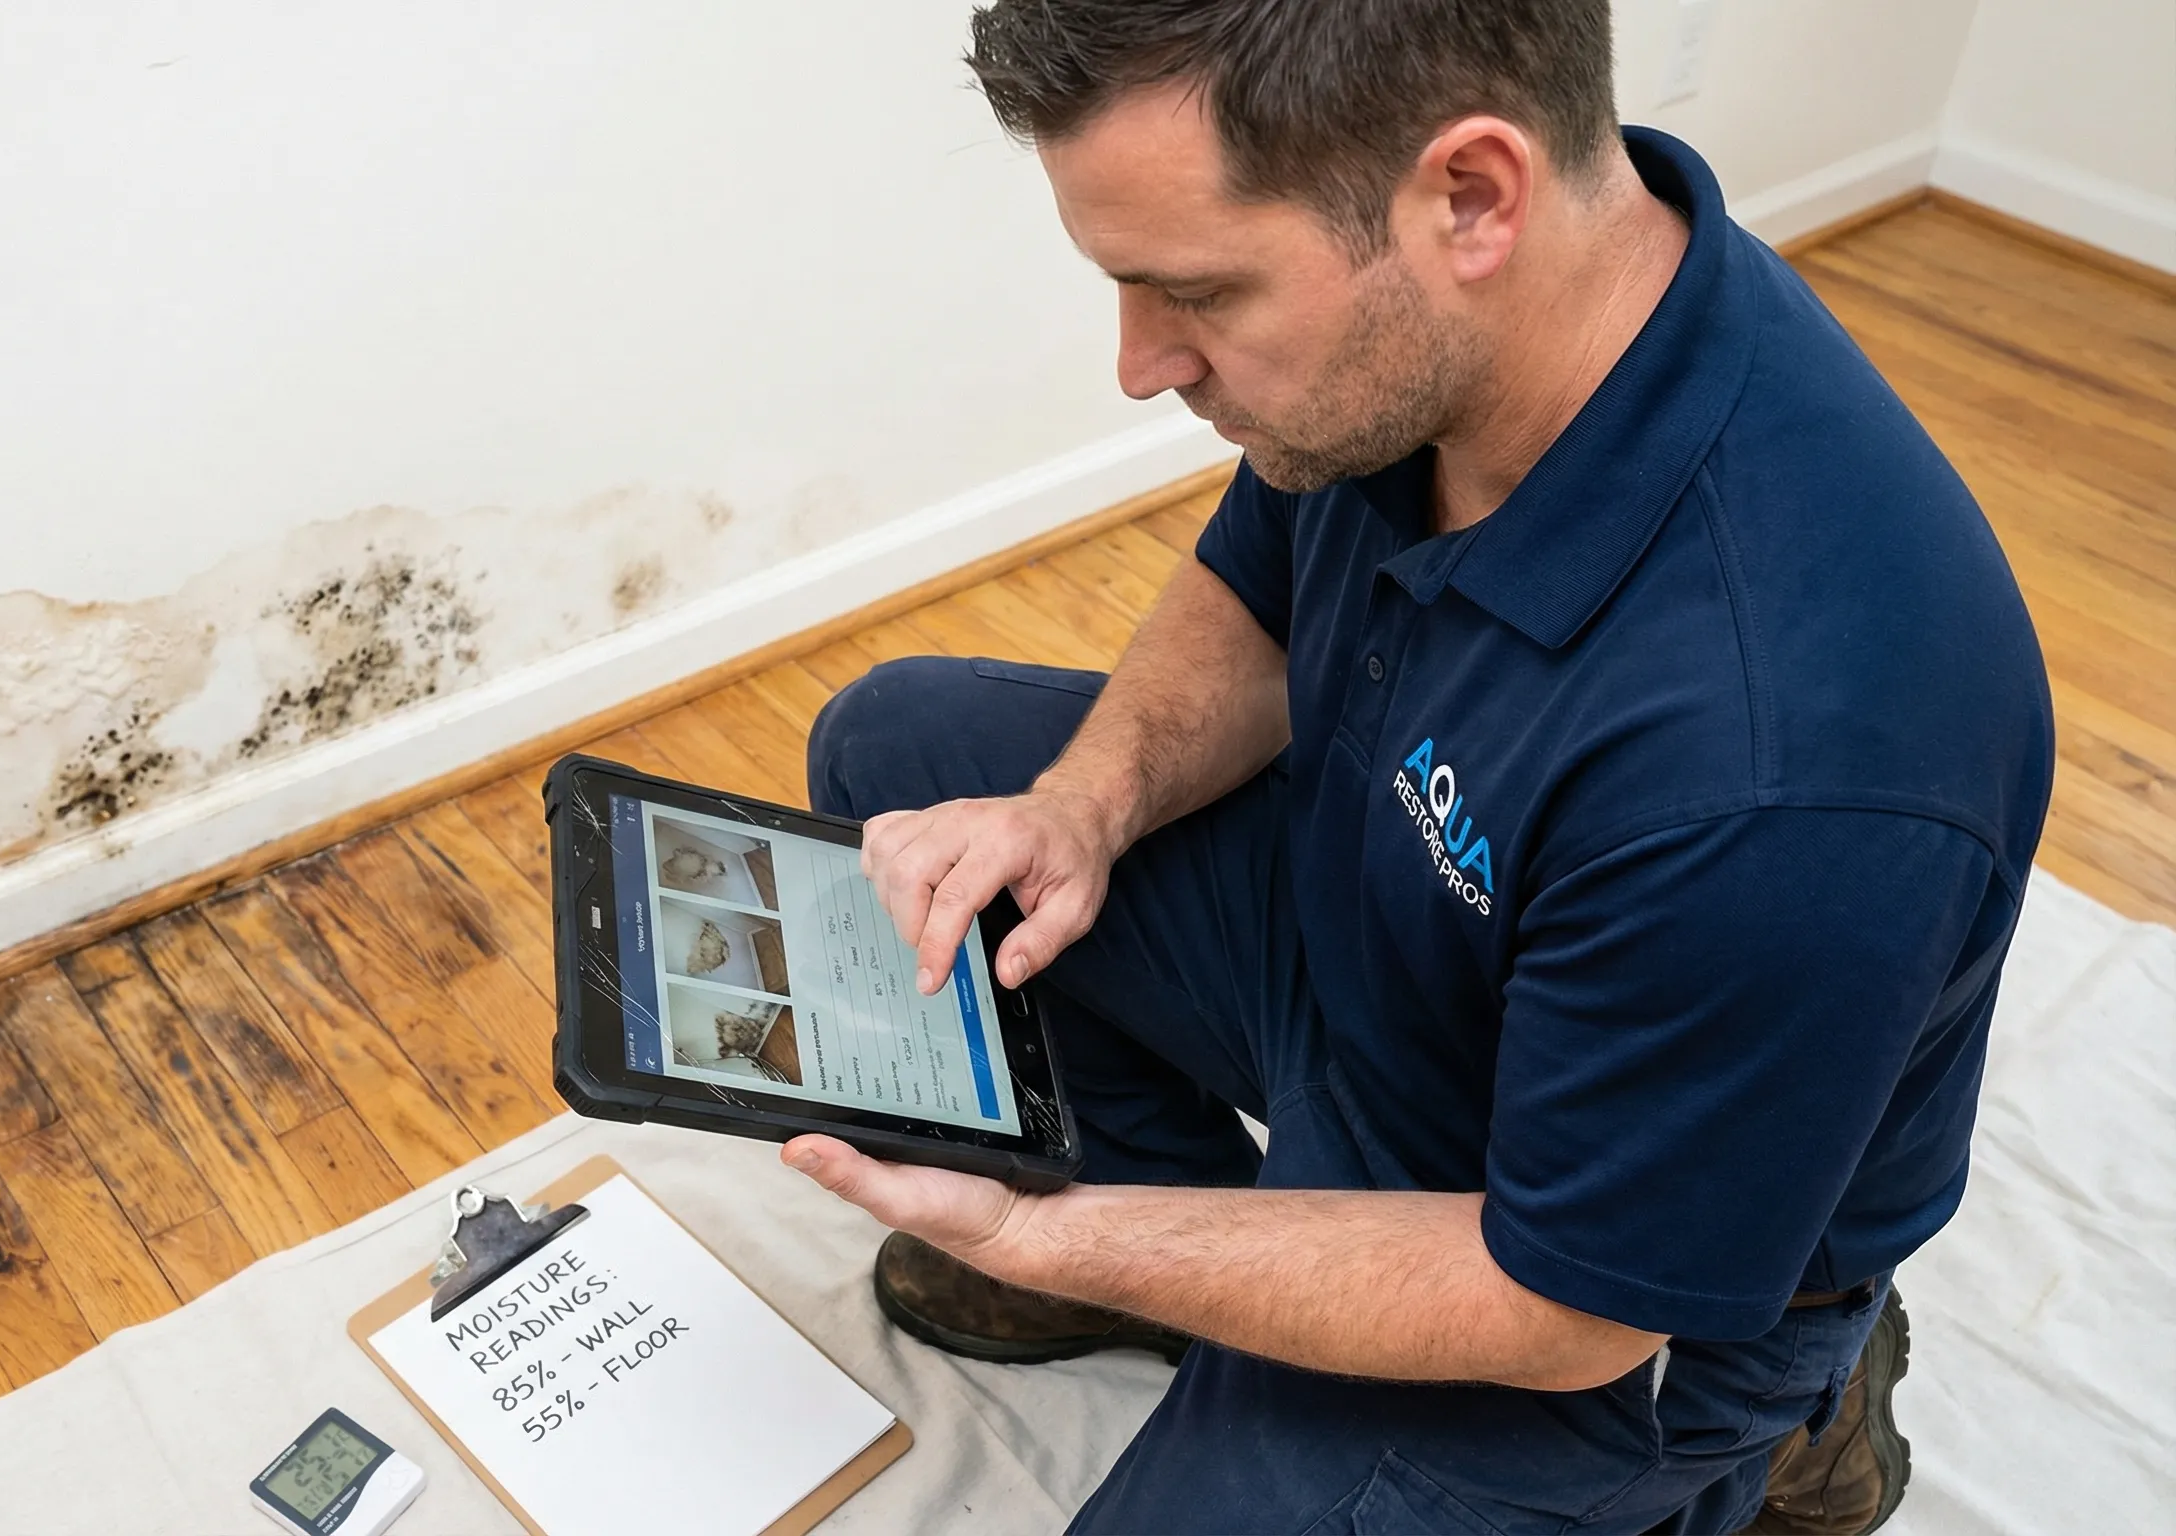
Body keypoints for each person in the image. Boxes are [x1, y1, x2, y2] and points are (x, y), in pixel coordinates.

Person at [781, 3, 2054, 1532]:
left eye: (1191, 290)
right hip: (1395, 961)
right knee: (901, 759)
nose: (1139, 364)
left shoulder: (1787, 760)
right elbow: (1255, 590)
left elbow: (1559, 1311)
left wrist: (1056, 1237)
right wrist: (1081, 805)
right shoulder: (1452, 345)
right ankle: (1223, 1267)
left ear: (1472, 197)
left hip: (1580, 1278)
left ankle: (1782, 1427)